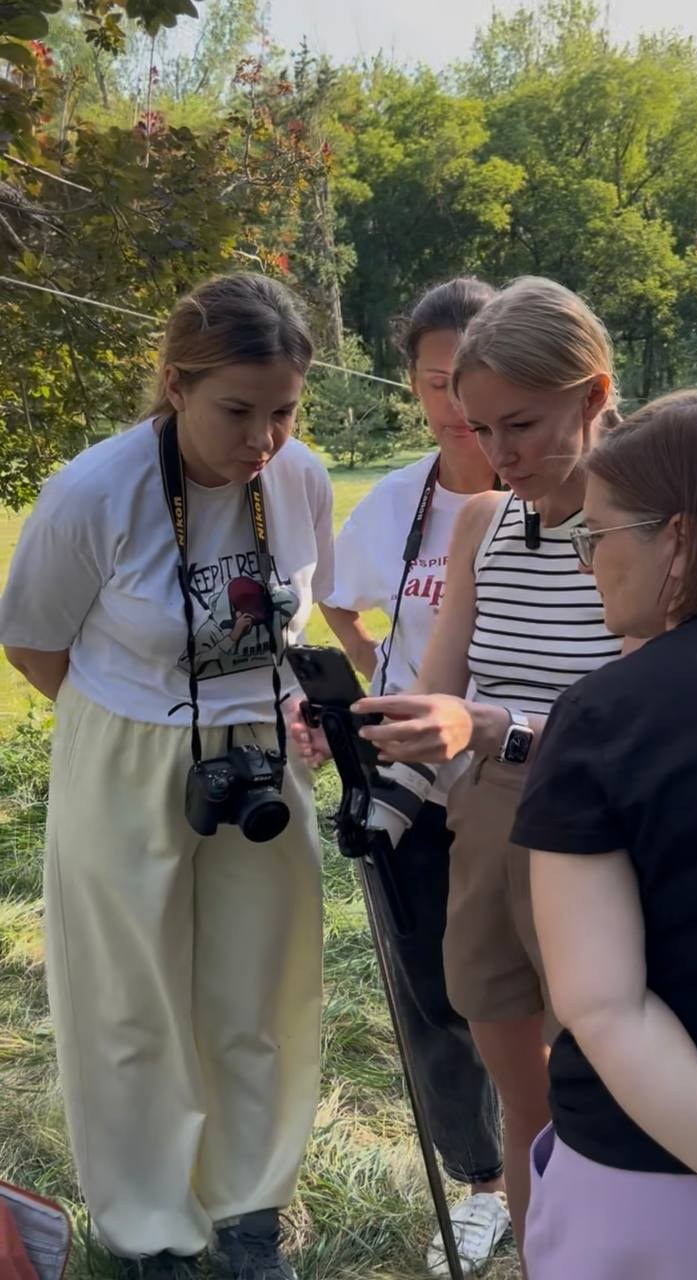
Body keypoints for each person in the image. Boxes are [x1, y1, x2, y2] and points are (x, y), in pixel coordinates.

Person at [0, 274, 334, 1280]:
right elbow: (33, 641)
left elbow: (289, 621)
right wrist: (136, 729)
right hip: (127, 749)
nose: (262, 439)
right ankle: (151, 1224)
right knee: (130, 999)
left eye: (282, 410)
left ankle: (246, 1207)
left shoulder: (300, 477)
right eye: (237, 409)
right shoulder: (95, 489)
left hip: (258, 757)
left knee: (258, 990)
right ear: (176, 384)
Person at [350, 277, 625, 1258]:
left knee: (611, 1100)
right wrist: (385, 748)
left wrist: (492, 724)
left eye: (521, 424)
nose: (497, 454)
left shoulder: (647, 526)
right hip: (487, 832)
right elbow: (440, 693)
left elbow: (653, 724)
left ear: (592, 395)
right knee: (523, 1098)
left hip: (611, 839)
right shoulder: (480, 524)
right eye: (476, 426)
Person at [510, 389, 697, 1279]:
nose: (583, 560)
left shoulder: (604, 715)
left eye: (596, 534)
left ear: (675, 535)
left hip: (655, 1188)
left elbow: (601, 1004)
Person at [316, 279, 509, 1273]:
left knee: (533, 989)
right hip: (410, 788)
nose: (455, 403)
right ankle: (480, 1179)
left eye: (472, 378)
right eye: (437, 379)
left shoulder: (546, 489)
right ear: (412, 382)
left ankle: (554, 1161)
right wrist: (373, 689)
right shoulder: (394, 501)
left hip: (516, 780)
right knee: (432, 993)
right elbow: (340, 603)